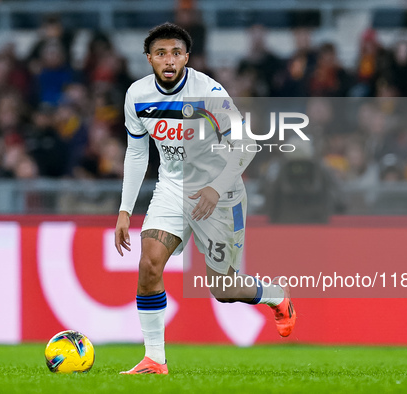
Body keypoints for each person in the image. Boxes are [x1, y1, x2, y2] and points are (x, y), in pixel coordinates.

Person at [114, 22, 296, 375]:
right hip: (171, 189)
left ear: (186, 57)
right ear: (149, 58)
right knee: (149, 264)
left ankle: (277, 296)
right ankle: (155, 359)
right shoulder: (137, 95)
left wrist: (215, 188)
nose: (169, 60)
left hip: (221, 193)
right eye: (161, 53)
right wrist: (124, 210)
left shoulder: (209, 93)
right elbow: (137, 154)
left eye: (176, 53)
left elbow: (247, 145)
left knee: (224, 289)